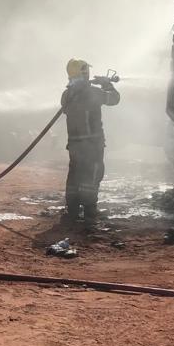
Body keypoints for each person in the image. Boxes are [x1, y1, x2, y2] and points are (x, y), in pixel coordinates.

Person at [60, 58, 120, 223]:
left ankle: (72, 210)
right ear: (85, 72)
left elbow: (68, 109)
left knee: (74, 175)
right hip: (92, 145)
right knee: (92, 175)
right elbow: (114, 99)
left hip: (74, 145)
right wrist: (107, 84)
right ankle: (89, 211)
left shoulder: (66, 95)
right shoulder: (93, 93)